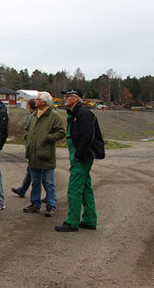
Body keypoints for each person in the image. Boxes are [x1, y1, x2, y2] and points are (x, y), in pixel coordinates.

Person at [56, 88, 104, 232]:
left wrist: (78, 154)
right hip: (79, 156)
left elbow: (87, 136)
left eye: (68, 96)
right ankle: (90, 219)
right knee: (85, 188)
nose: (65, 98)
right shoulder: (75, 113)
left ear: (76, 99)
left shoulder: (83, 114)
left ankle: (72, 222)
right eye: (65, 96)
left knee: (74, 188)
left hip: (81, 157)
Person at [23, 92, 65, 217]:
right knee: (35, 182)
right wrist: (28, 138)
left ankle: (51, 206)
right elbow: (27, 129)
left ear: (44, 102)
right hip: (33, 154)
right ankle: (35, 204)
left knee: (49, 182)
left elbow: (61, 132)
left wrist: (48, 138)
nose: (35, 100)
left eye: (37, 99)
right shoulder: (34, 115)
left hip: (46, 155)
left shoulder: (54, 116)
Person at [11, 99, 43, 198]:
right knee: (31, 170)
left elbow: (29, 132)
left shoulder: (33, 117)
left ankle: (48, 196)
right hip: (33, 147)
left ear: (30, 106)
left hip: (34, 148)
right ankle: (23, 189)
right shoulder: (35, 115)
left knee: (39, 173)